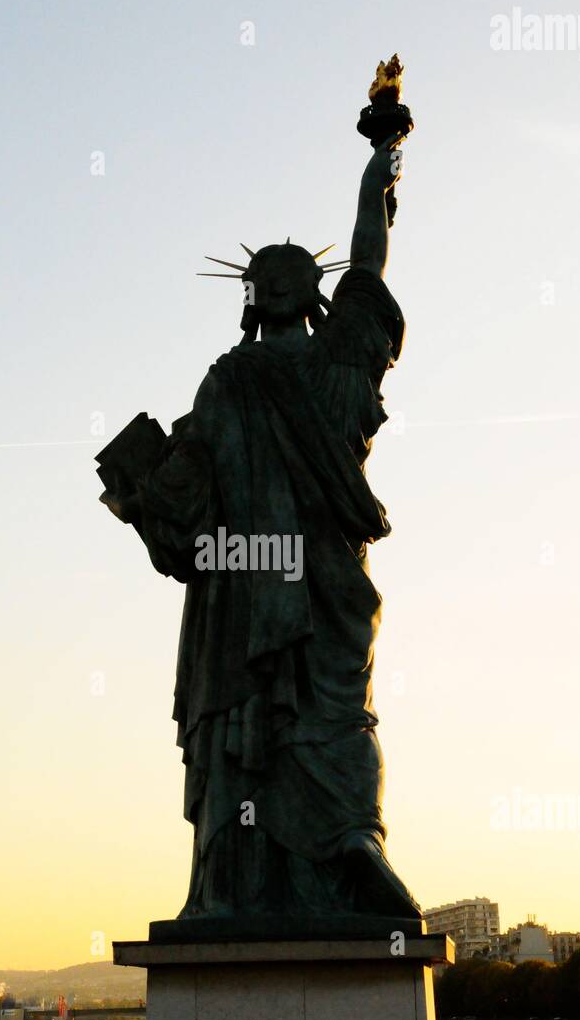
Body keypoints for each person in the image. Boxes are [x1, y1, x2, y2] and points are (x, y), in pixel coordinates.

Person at [103, 136, 421, 926]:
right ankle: (353, 837)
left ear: (252, 298)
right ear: (316, 296)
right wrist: (381, 166)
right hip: (325, 581)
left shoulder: (226, 382)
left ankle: (234, 885)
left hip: (243, 583)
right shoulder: (344, 359)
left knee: (243, 721)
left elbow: (182, 512)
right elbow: (369, 262)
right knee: (339, 714)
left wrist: (137, 490)